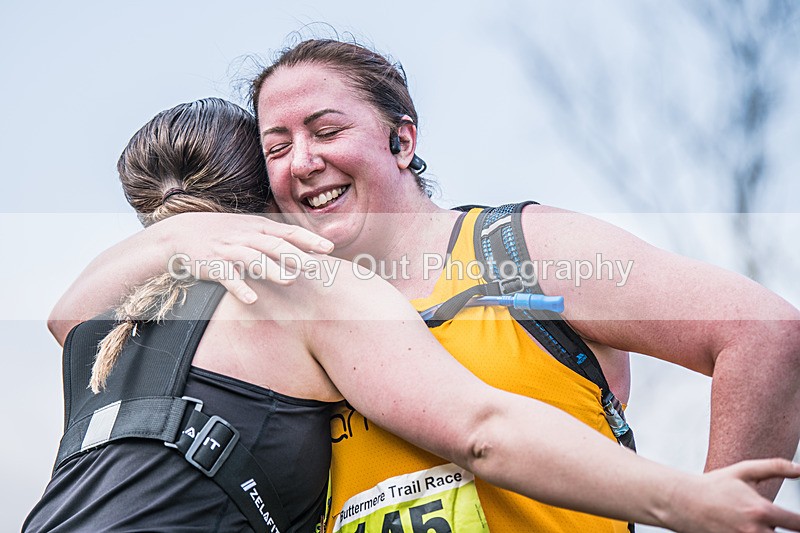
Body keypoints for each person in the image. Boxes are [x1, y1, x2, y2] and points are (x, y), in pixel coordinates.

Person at [45, 34, 800, 531]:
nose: (302, 160)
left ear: (403, 138)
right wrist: (180, 233)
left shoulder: (521, 250)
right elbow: (72, 319)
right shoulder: (287, 314)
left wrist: (716, 510)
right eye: (277, 146)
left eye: (327, 129)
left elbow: (764, 331)